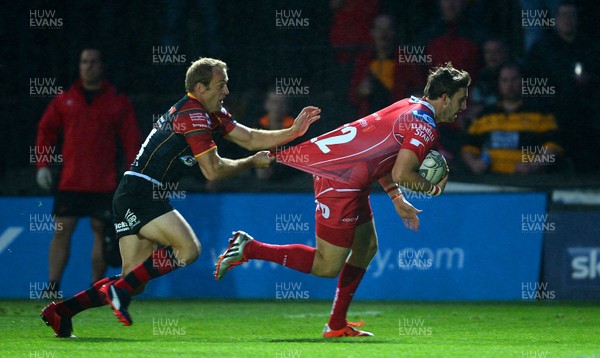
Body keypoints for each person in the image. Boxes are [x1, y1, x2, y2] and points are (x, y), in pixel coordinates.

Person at [40, 57, 321, 338]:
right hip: (142, 193)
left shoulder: (210, 113)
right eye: (221, 85)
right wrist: (251, 163)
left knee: (135, 281)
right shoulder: (193, 115)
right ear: (200, 88)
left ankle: (62, 311)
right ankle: (118, 291)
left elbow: (249, 138)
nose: (226, 91)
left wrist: (292, 132)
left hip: (133, 192)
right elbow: (212, 170)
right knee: (188, 250)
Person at [215, 63, 470, 337]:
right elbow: (401, 171)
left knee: (367, 246)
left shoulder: (409, 105)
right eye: (461, 99)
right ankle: (250, 248)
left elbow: (380, 153)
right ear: (444, 98)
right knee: (327, 266)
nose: (463, 106)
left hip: (349, 175)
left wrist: (396, 197)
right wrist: (434, 190)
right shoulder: (425, 125)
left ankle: (336, 324)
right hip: (340, 180)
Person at [35, 48, 141, 296]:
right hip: (71, 180)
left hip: (104, 182)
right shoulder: (65, 99)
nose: (88, 66)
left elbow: (131, 140)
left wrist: (131, 175)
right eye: (84, 62)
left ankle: (95, 289)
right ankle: (52, 287)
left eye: (93, 62)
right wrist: (42, 165)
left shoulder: (117, 100)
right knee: (61, 230)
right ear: (79, 66)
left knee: (101, 233)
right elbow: (45, 130)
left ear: (102, 66)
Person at [525, 1, 599, 172]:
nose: (567, 20)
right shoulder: (542, 49)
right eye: (563, 15)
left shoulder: (591, 48)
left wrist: (590, 80)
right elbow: (530, 81)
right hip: (551, 112)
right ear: (555, 19)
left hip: (586, 112)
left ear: (578, 19)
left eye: (571, 15)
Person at [462, 63, 562, 174]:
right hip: (489, 181)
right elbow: (469, 147)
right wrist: (474, 164)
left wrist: (534, 166)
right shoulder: (484, 115)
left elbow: (553, 147)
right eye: (504, 80)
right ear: (498, 84)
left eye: (514, 79)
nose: (510, 85)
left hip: (527, 182)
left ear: (523, 82)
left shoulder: (541, 113)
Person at [350, 14, 424, 118]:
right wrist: (360, 92)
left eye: (387, 29)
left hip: (397, 121)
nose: (383, 34)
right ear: (372, 32)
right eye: (379, 29)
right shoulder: (364, 60)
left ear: (394, 32)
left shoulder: (406, 60)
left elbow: (418, 90)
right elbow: (352, 97)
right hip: (369, 123)